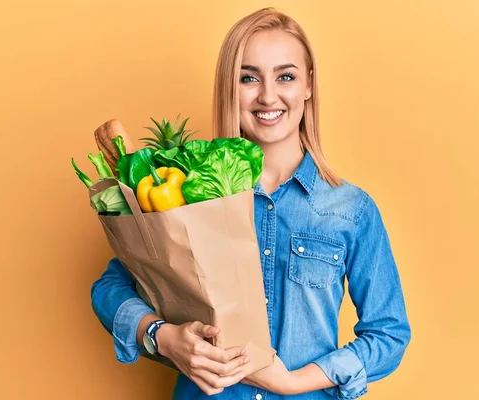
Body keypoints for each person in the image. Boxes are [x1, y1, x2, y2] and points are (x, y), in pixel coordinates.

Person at [91, 7, 411, 400]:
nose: (268, 96)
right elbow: (110, 288)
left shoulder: (351, 209)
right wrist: (164, 337)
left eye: (286, 76)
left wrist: (294, 382)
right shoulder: (187, 195)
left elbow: (389, 333)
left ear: (309, 85)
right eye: (248, 78)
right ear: (230, 87)